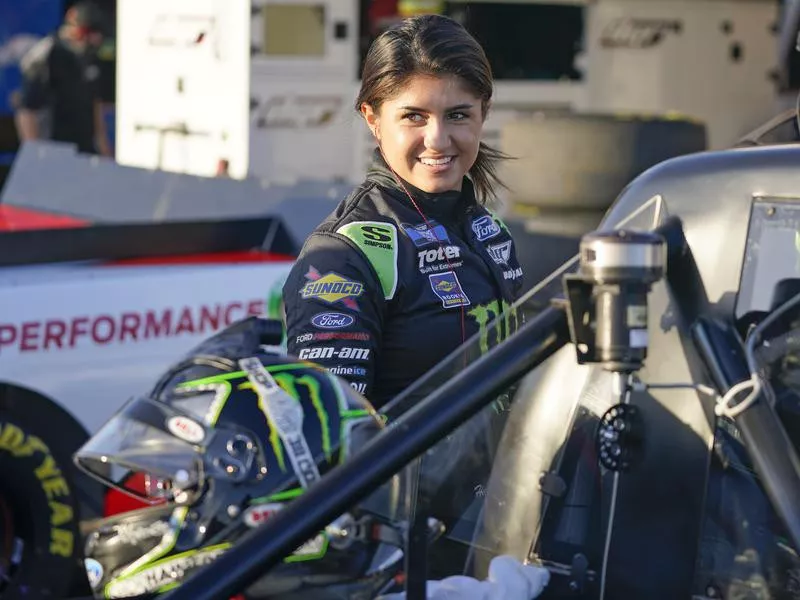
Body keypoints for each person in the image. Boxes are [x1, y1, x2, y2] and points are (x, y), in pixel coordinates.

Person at [282, 14, 525, 410]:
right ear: (373, 119)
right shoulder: (342, 255)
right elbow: (335, 434)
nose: (438, 139)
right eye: (414, 116)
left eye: (458, 115)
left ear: (484, 112)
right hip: (407, 475)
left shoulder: (490, 230)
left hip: (505, 472)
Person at [13, 1, 111, 156]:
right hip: (53, 151)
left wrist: (105, 152)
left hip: (84, 151)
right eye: (89, 35)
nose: (93, 42)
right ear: (76, 31)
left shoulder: (88, 58)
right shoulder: (46, 56)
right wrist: (34, 154)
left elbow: (95, 107)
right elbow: (27, 111)